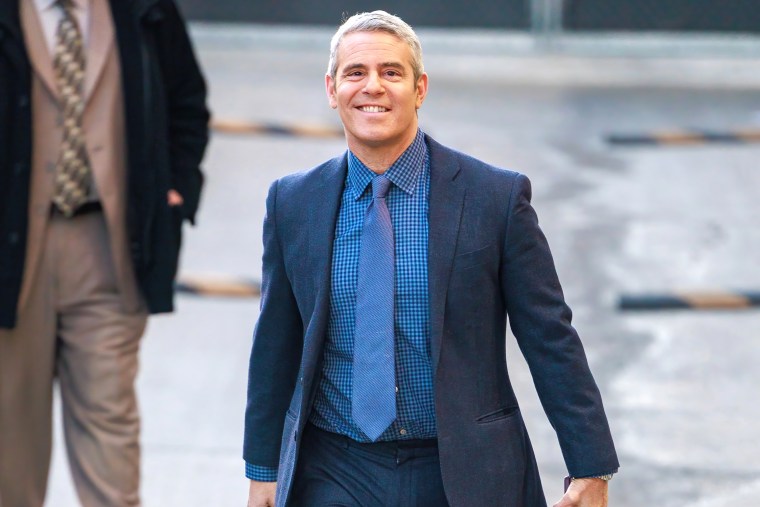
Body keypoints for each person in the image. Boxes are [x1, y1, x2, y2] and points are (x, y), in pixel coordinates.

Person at [243, 10, 618, 507]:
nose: (372, 86)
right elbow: (276, 343)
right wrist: (263, 469)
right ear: (332, 91)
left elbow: (549, 335)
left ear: (420, 89)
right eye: (356, 73)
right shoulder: (293, 202)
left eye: (391, 72)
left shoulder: (494, 198)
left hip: (463, 468)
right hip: (333, 468)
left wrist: (590, 466)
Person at [0, 0, 208, 505]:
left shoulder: (144, 9)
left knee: (111, 440)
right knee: (10, 446)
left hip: (109, 247)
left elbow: (186, 99)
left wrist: (177, 188)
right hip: (11, 252)